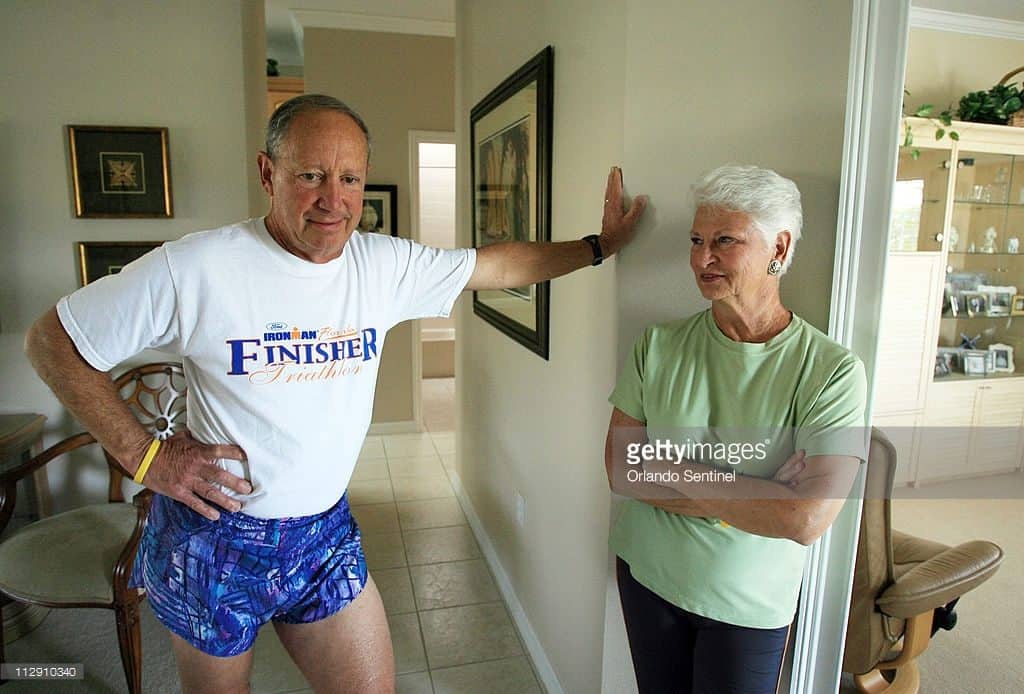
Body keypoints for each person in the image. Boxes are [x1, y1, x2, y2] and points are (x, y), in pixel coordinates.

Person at [24, 93, 647, 694]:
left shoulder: (382, 266)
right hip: (213, 540)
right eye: (312, 175)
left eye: (350, 178)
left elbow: (500, 266)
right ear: (268, 173)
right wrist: (146, 456)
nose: (334, 199)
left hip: (324, 535)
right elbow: (52, 341)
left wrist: (599, 248)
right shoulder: (197, 268)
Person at [604, 164, 866, 693]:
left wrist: (668, 470)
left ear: (779, 247)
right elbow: (620, 470)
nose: (702, 259)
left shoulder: (832, 371)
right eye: (696, 240)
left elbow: (805, 518)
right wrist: (759, 490)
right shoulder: (658, 346)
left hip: (748, 603)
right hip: (647, 577)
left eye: (725, 240)